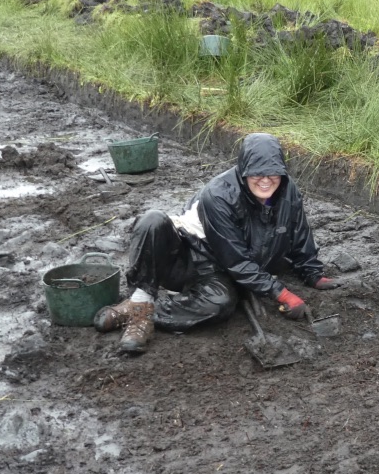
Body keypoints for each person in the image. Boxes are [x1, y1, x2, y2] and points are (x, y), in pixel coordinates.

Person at [94, 133, 342, 354]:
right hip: (193, 253)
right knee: (152, 221)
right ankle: (140, 300)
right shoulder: (218, 195)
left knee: (220, 305)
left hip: (225, 267)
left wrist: (313, 273)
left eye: (272, 172)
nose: (265, 180)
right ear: (243, 169)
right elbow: (235, 258)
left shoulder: (288, 191)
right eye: (257, 173)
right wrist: (281, 293)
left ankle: (142, 311)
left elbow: (299, 232)